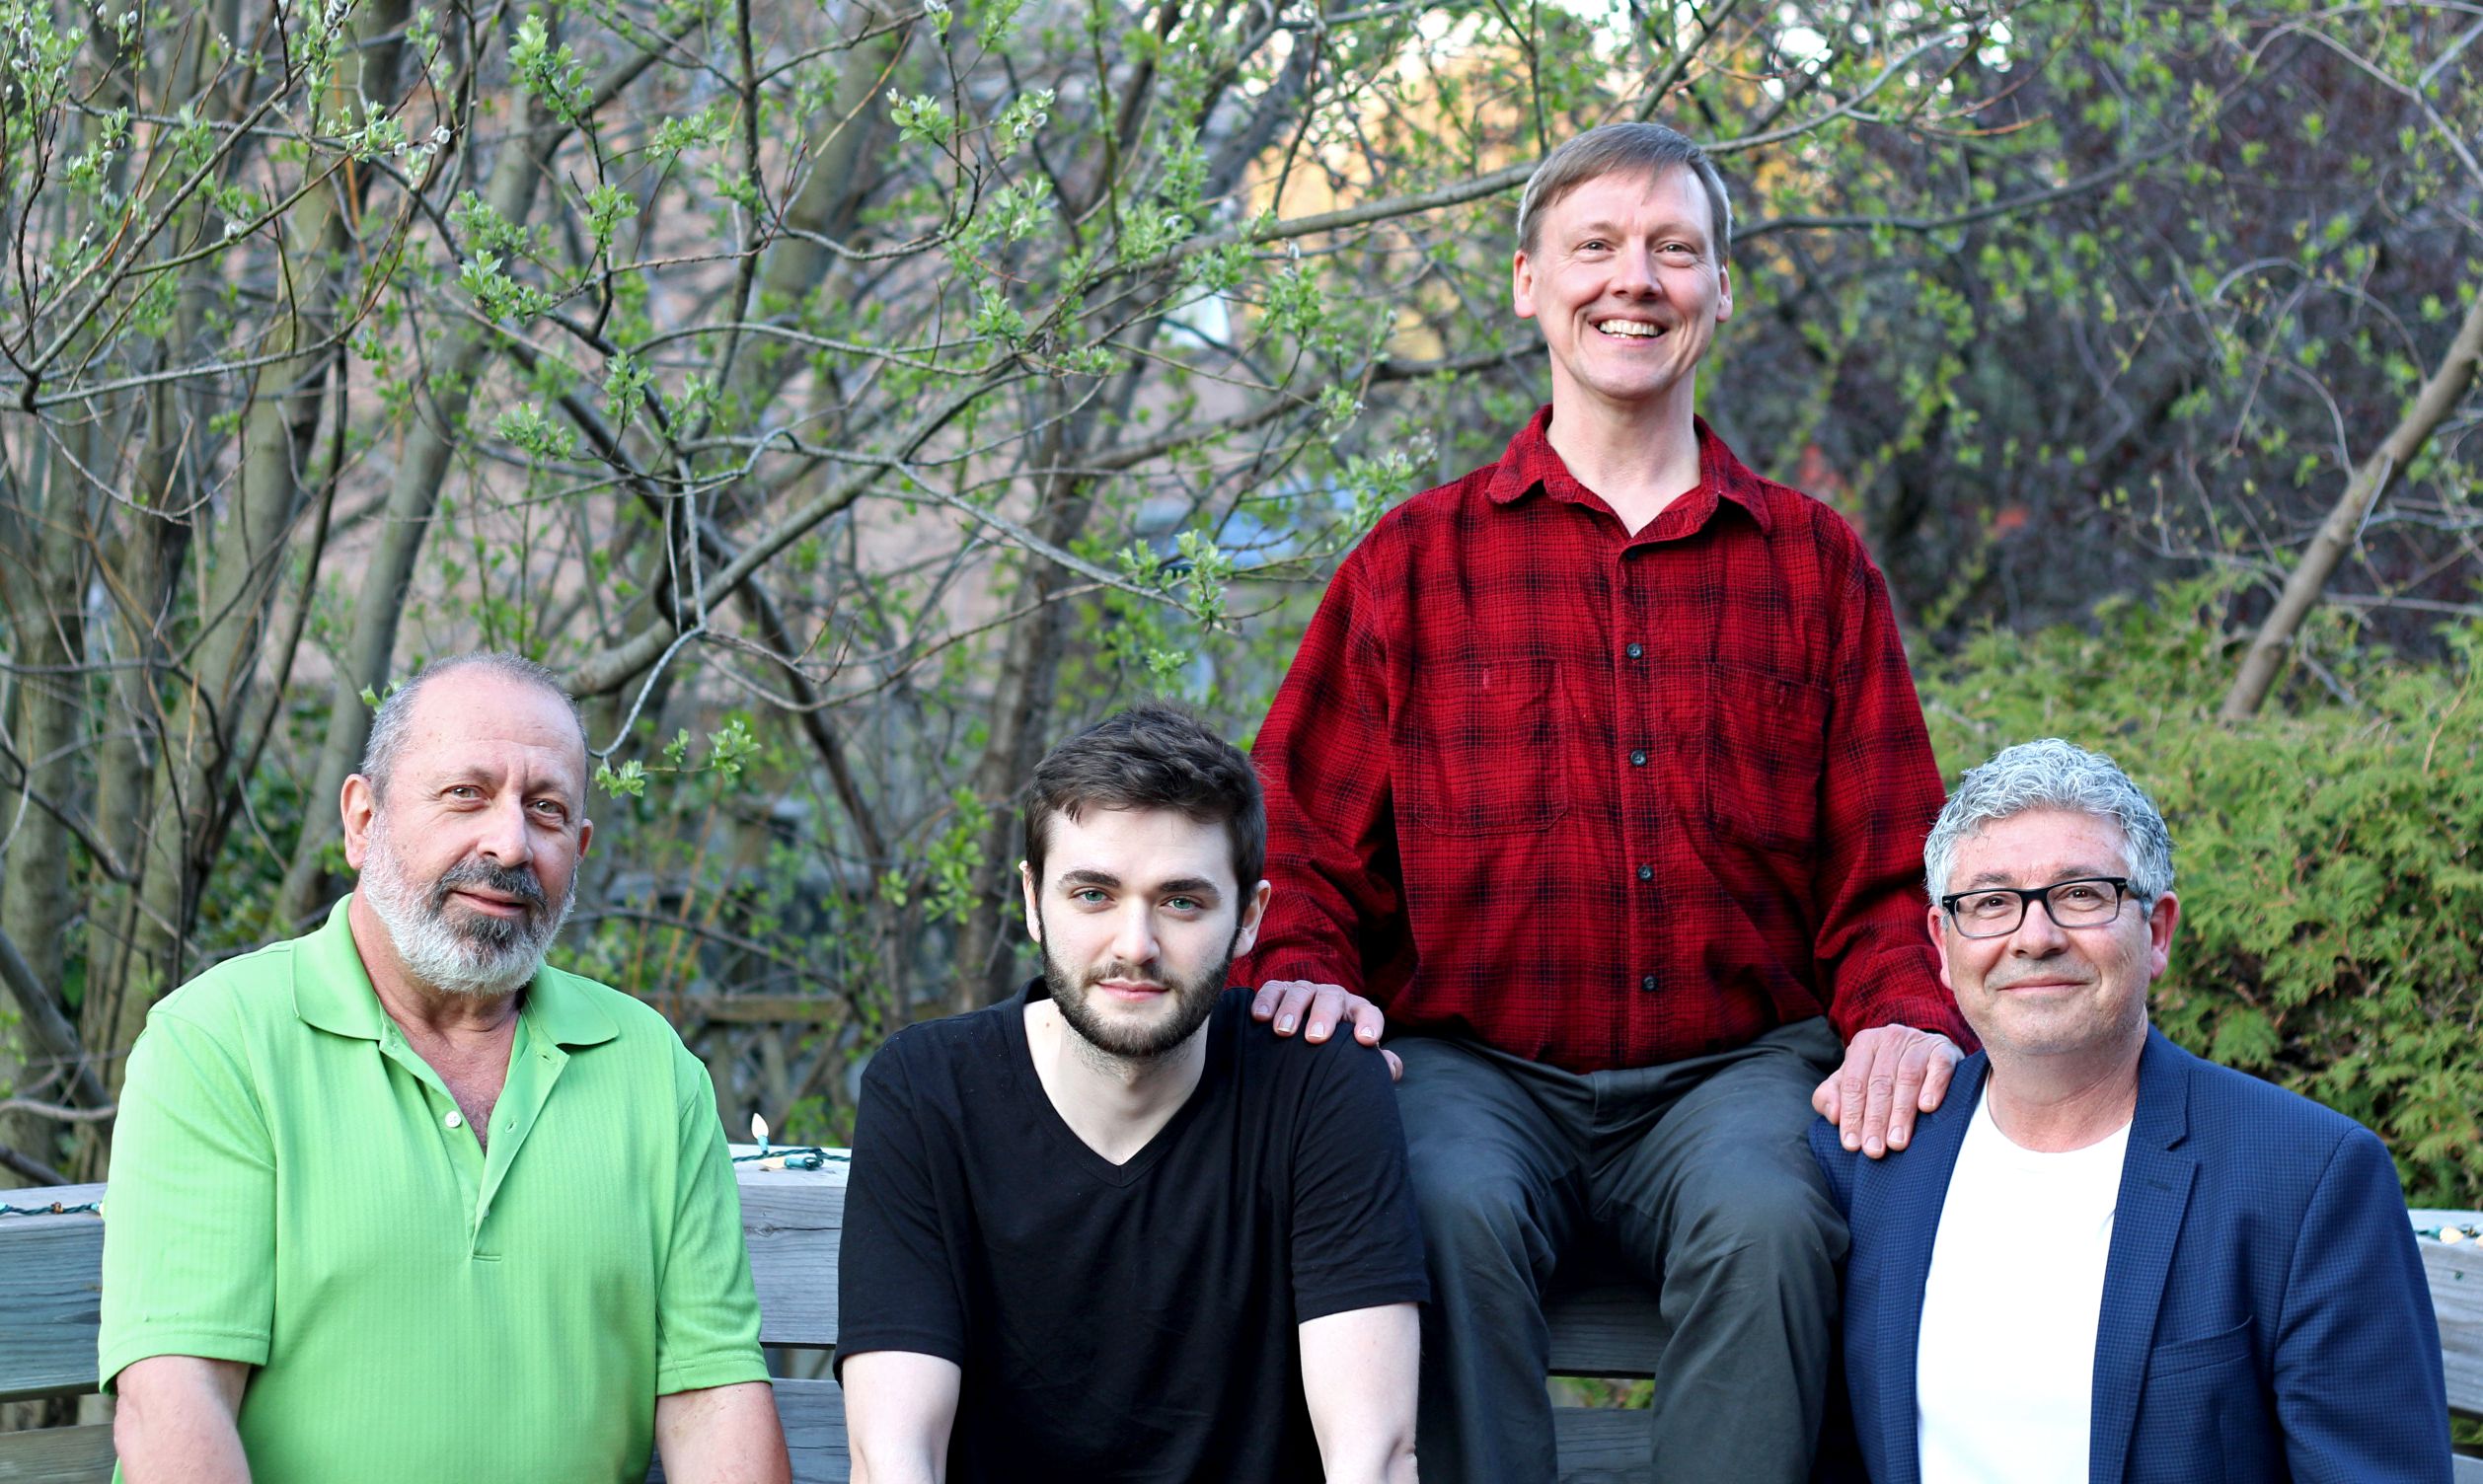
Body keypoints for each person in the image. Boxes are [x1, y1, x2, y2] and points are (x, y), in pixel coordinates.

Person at [1242, 121, 1971, 1482]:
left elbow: (1888, 874)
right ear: (1529, 282)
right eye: (1596, 247)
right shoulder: (1414, 561)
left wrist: (1902, 1020)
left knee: (1774, 1220)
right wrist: (1300, 973)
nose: (1633, 280)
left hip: (1733, 1080)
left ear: (1720, 290)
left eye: (1673, 250)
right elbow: (1298, 843)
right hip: (1473, 1072)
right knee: (1424, 1201)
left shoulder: (1814, 566)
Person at [99, 653, 788, 1484]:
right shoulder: (220, 1043)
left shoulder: (651, 1068)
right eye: (466, 794)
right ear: (363, 821)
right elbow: (175, 1407)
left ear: (581, 848)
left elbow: (713, 1403)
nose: (510, 842)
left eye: (548, 810)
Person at [1812, 738, 2451, 1483]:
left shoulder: (2307, 1177)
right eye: (1990, 903)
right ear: (1943, 948)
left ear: (2156, 933)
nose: (2035, 937)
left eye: (2082, 894)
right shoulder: (1871, 1161)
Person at [837, 702, 1426, 1484]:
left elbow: (1373, 1458)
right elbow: (894, 1460)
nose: (1136, 946)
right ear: (1031, 900)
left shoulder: (1318, 1088)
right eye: (1093, 895)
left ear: (1250, 917)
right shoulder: (929, 1090)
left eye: (1182, 901)